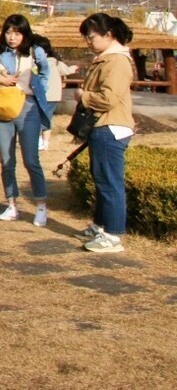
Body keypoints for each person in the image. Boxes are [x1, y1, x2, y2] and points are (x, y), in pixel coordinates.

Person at [0, 14, 50, 225]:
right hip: (3, 108)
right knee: (7, 160)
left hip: (28, 108)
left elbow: (45, 74)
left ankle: (41, 205)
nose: (12, 37)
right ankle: (11, 204)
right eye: (8, 32)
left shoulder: (36, 52)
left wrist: (37, 86)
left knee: (31, 159)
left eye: (17, 32)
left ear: (25, 34)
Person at [75, 13, 135, 254]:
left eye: (91, 37)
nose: (88, 42)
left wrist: (83, 97)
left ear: (108, 35)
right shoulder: (106, 59)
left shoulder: (116, 61)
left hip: (110, 126)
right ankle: (101, 226)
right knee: (102, 180)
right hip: (104, 126)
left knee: (110, 182)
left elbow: (109, 98)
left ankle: (112, 234)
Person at [30, 33, 78, 151]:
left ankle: (39, 141)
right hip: (54, 96)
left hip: (43, 96)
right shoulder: (56, 63)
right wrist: (74, 68)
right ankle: (45, 142)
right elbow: (67, 70)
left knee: (36, 118)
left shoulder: (38, 64)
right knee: (47, 118)